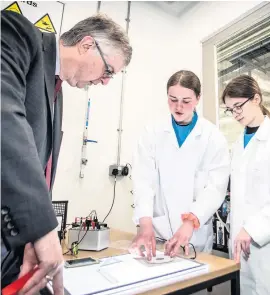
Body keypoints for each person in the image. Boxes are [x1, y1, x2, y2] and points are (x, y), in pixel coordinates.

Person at [1, 9, 132, 295]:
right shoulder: (16, 34)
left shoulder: (57, 92)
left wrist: (30, 240)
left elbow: (40, 167)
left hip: (15, 244)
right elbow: (4, 119)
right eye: (108, 70)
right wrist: (41, 229)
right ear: (87, 45)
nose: (106, 81)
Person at [130, 70, 230, 261]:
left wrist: (191, 221)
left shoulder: (212, 137)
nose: (178, 107)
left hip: (195, 237)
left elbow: (215, 187)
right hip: (158, 233)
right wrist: (145, 224)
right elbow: (143, 180)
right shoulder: (152, 132)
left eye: (186, 101)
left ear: (198, 98)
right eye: (172, 99)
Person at [221, 75, 270, 295]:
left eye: (238, 106)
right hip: (241, 240)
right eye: (230, 109)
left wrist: (252, 228)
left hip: (264, 241)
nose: (235, 114)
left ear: (257, 98)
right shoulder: (237, 144)